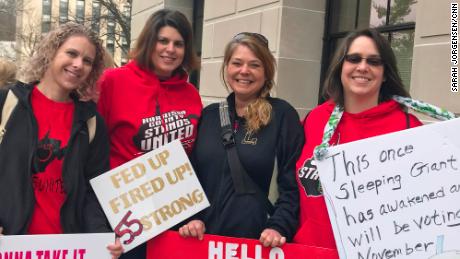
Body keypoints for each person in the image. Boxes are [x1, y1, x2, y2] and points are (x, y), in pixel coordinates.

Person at [293, 28, 425, 250]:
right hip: (311, 251)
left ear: (385, 74)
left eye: (374, 61)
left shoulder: (408, 127)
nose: (362, 67)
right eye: (354, 58)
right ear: (340, 67)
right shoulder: (315, 120)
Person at [0, 22, 123, 258]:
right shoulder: (8, 103)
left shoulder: (91, 122)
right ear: (51, 52)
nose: (78, 65)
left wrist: (101, 237)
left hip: (66, 250)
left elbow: (92, 192)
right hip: (11, 248)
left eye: (87, 61)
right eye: (72, 53)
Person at [179, 32, 304, 248]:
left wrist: (279, 226)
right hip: (205, 243)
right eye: (237, 63)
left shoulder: (282, 115)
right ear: (227, 68)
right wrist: (191, 217)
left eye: (254, 65)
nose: (244, 71)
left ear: (266, 72)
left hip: (258, 244)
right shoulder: (209, 115)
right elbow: (192, 178)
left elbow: (293, 183)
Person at [97, 9, 202, 259]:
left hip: (174, 215)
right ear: (149, 42)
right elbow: (91, 147)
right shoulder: (112, 82)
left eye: (178, 43)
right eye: (162, 40)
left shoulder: (190, 94)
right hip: (124, 215)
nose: (170, 49)